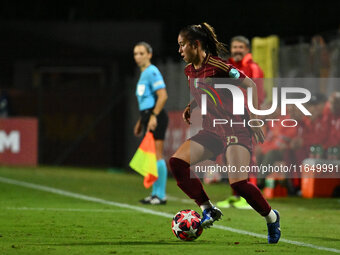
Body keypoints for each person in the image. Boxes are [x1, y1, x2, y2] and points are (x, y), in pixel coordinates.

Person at [169, 22, 280, 243]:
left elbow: (250, 85)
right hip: (212, 130)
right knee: (177, 163)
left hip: (236, 128)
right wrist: (192, 105)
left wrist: (256, 118)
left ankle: (271, 217)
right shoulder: (189, 70)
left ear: (196, 44)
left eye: (182, 45)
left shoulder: (218, 65)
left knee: (238, 183)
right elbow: (204, 91)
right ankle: (207, 208)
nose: (179, 50)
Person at [217, 35, 265, 209]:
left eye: (240, 47)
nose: (237, 50)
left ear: (247, 50)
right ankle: (237, 195)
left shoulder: (253, 68)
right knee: (231, 155)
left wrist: (255, 118)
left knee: (248, 156)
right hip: (229, 117)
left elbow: (258, 93)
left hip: (247, 116)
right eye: (234, 47)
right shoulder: (230, 68)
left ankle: (250, 196)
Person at [133, 41, 169, 205]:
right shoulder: (143, 73)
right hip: (148, 116)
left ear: (150, 55)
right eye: (135, 54)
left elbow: (162, 96)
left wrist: (154, 116)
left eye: (141, 53)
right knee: (152, 156)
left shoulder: (152, 71)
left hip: (157, 116)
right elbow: (146, 100)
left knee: (157, 155)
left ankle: (160, 195)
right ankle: (155, 193)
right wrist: (141, 121)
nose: (138, 57)